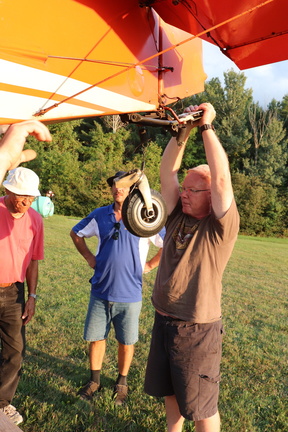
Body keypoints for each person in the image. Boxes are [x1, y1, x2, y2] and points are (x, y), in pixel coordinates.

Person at [144, 103, 240, 432]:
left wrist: (206, 127)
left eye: (192, 190)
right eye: (183, 189)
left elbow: (223, 180)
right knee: (170, 389)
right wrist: (181, 130)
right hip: (164, 317)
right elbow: (166, 172)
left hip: (196, 328)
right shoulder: (176, 215)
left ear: (210, 193)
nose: (183, 194)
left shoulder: (220, 225)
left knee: (200, 404)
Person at [70, 170, 164, 406]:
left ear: (133, 189)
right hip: (100, 291)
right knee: (97, 338)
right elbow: (76, 233)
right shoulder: (100, 215)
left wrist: (151, 264)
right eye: (114, 185)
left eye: (122, 186)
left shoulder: (145, 216)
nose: (117, 189)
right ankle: (94, 381)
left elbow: (167, 242)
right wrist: (90, 258)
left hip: (130, 294)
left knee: (126, 341)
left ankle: (121, 382)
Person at [0, 120, 51, 425]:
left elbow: (34, 261)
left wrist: (31, 296)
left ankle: (2, 401)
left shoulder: (35, 219)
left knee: (15, 351)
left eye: (31, 197)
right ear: (7, 190)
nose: (26, 202)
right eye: (21, 196)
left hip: (14, 293)